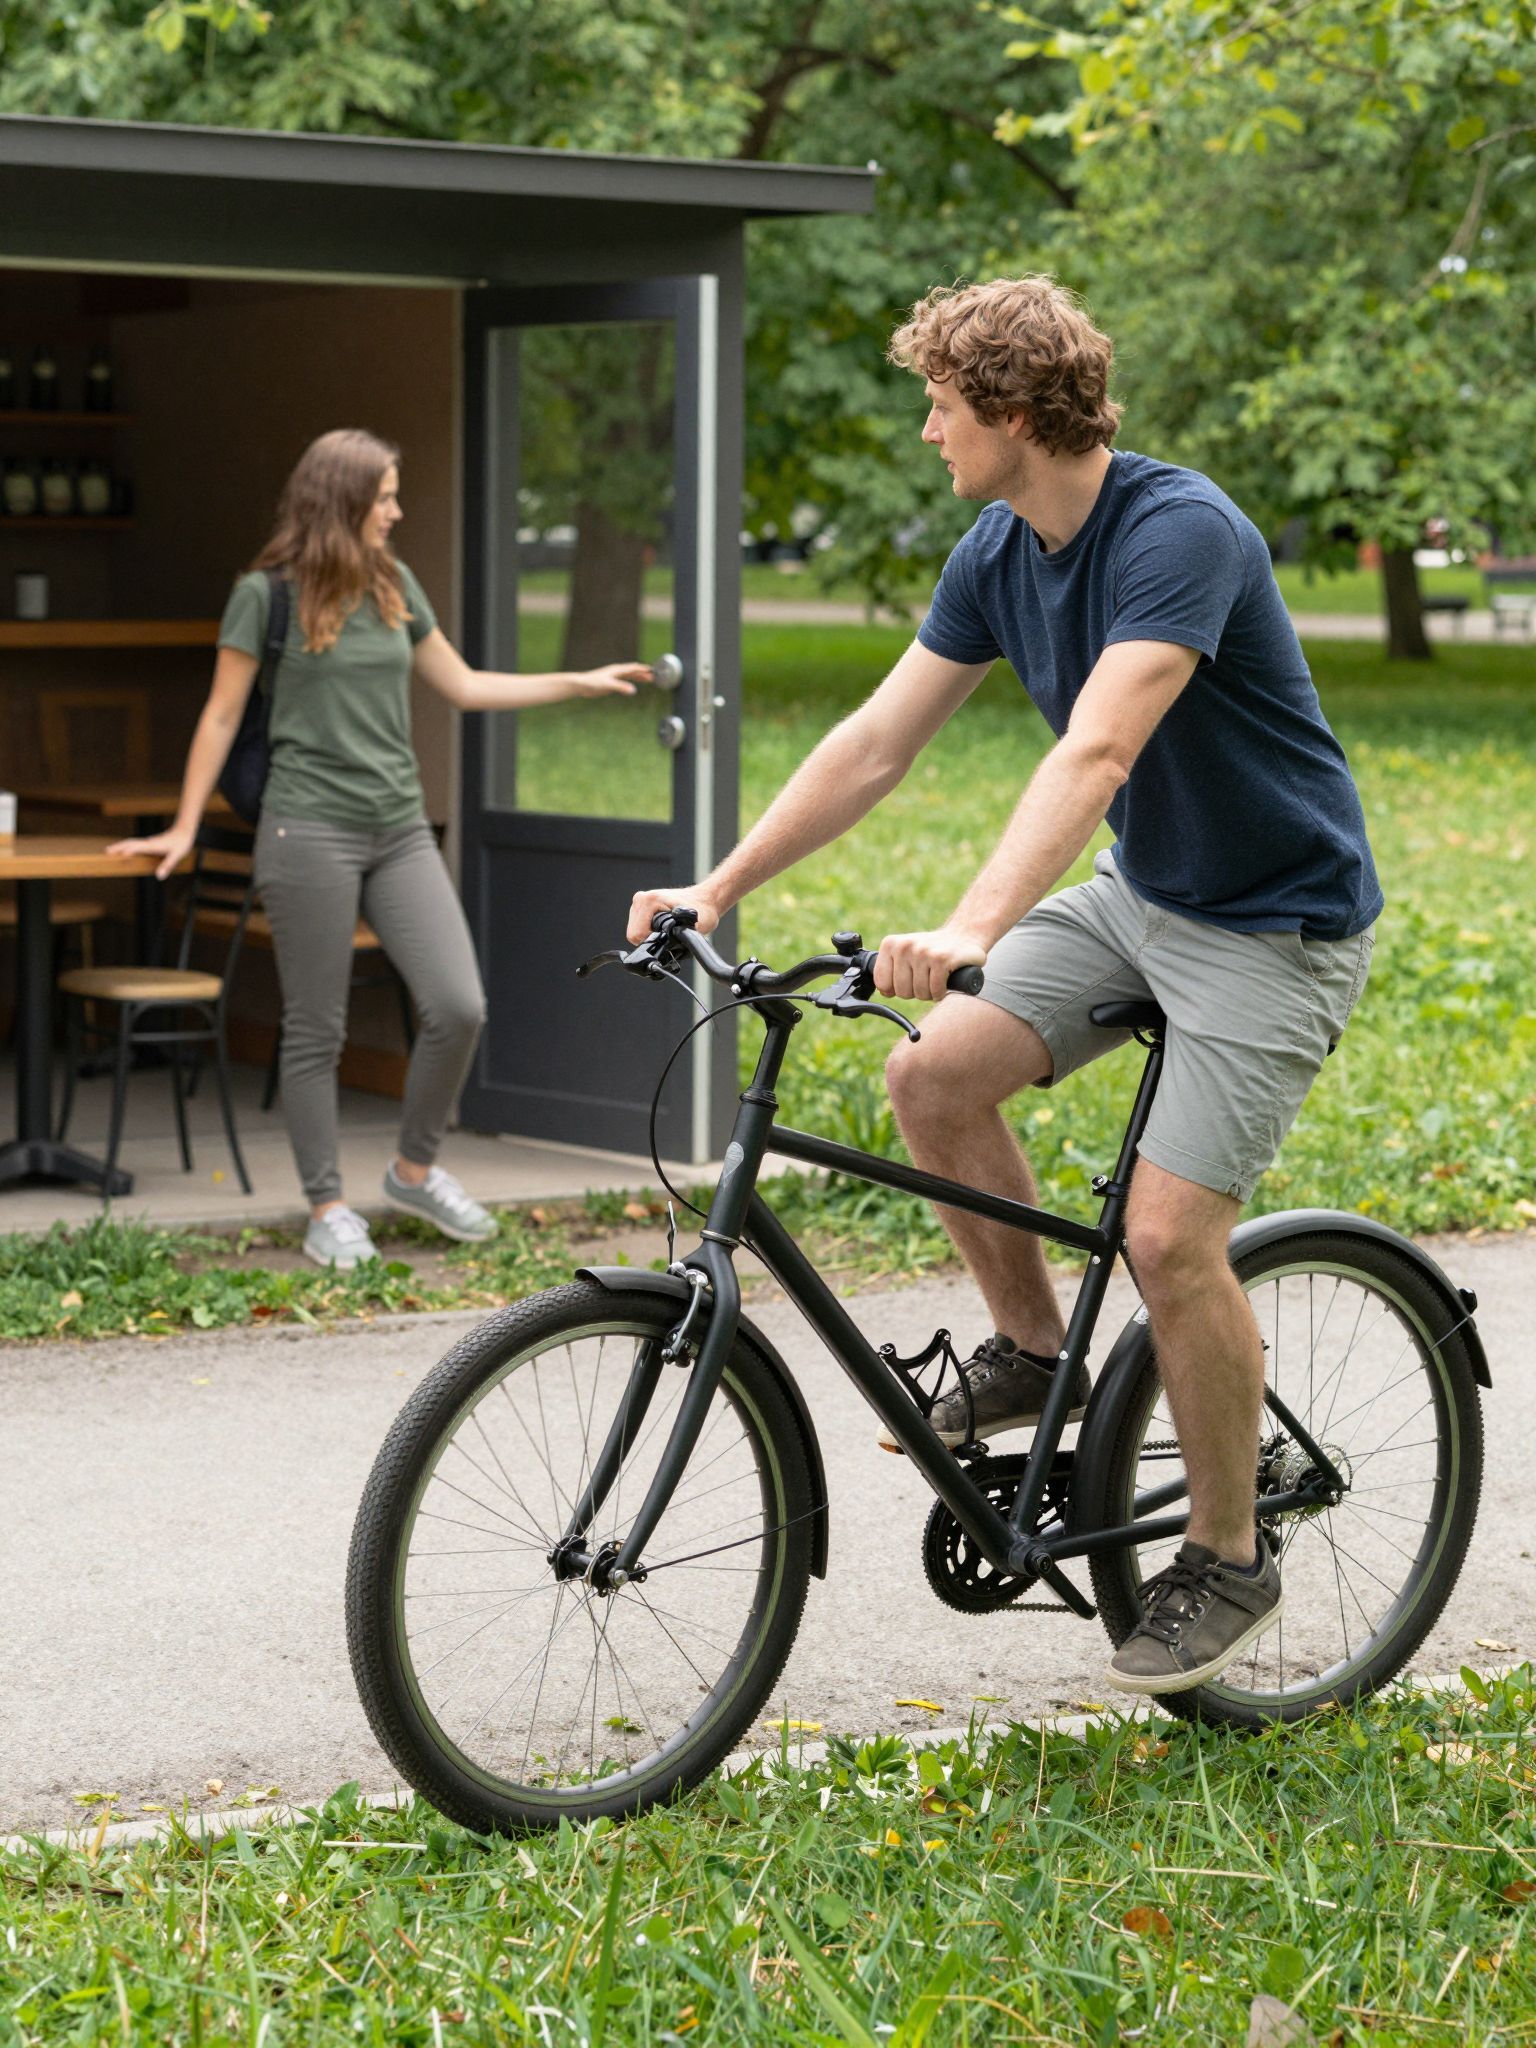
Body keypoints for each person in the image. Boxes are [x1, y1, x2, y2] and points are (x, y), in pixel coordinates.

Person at [626, 277, 1381, 1697]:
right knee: (932, 1073)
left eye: (941, 404)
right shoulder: (998, 548)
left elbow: (1096, 754)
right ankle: (1039, 1355)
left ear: (1015, 414)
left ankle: (1227, 1551)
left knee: (1166, 1243)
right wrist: (717, 887)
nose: (926, 431)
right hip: (1149, 896)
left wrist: (974, 923)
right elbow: (874, 742)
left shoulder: (1180, 534)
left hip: (1276, 925)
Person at [114, 428, 649, 1270]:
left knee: (457, 1003)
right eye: (387, 496)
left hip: (397, 828)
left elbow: (464, 684)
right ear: (343, 501)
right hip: (306, 829)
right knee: (315, 1029)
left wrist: (574, 682)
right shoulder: (266, 597)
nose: (398, 510)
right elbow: (221, 714)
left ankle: (412, 1168)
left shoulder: (394, 584)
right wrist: (184, 826)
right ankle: (326, 1205)